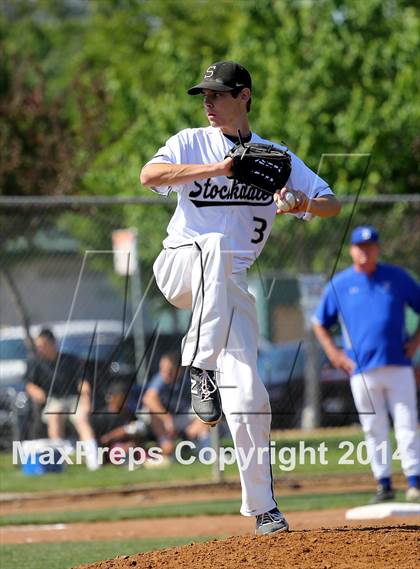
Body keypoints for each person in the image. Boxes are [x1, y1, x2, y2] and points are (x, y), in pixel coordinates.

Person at [140, 60, 340, 534]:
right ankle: (201, 368)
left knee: (250, 394)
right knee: (212, 245)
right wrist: (218, 168)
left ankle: (263, 508)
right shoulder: (192, 140)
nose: (207, 102)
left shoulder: (277, 155)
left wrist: (299, 202)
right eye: (203, 95)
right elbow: (150, 175)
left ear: (244, 96)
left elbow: (331, 204)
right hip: (181, 264)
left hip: (230, 288)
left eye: (217, 94)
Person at [313, 226, 420, 503]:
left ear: (378, 249)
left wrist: (416, 340)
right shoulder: (340, 284)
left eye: (370, 246)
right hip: (361, 369)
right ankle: (383, 483)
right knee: (374, 427)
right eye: (360, 246)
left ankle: (414, 481)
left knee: (407, 423)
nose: (365, 251)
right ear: (351, 250)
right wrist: (334, 355)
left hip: (398, 364)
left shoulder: (396, 278)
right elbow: (319, 323)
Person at [25, 328, 100, 470]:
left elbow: (83, 383)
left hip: (74, 399)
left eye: (42, 345)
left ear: (53, 344)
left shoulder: (70, 360)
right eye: (38, 346)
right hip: (54, 400)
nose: (39, 349)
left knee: (82, 420)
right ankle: (59, 463)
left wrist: (86, 399)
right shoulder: (35, 363)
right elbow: (30, 385)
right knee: (55, 417)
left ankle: (93, 461)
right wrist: (37, 393)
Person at [142, 352, 210, 459]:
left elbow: (205, 401)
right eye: (162, 369)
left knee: (206, 413)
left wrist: (195, 425)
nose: (165, 373)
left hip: (183, 416)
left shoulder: (188, 379)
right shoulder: (160, 379)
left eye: (169, 370)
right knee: (151, 411)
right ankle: (165, 444)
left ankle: (206, 453)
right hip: (165, 420)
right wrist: (166, 418)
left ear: (178, 369)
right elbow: (148, 399)